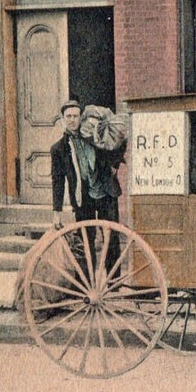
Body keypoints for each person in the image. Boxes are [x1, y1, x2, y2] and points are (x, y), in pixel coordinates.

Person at [50, 100, 125, 273]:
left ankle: (114, 280)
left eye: (76, 116)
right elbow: (57, 181)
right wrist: (57, 213)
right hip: (83, 198)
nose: (72, 120)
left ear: (81, 117)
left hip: (106, 192)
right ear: (62, 119)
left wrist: (114, 165)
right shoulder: (59, 149)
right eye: (68, 116)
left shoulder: (95, 134)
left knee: (111, 236)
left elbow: (120, 140)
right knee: (85, 238)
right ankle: (88, 281)